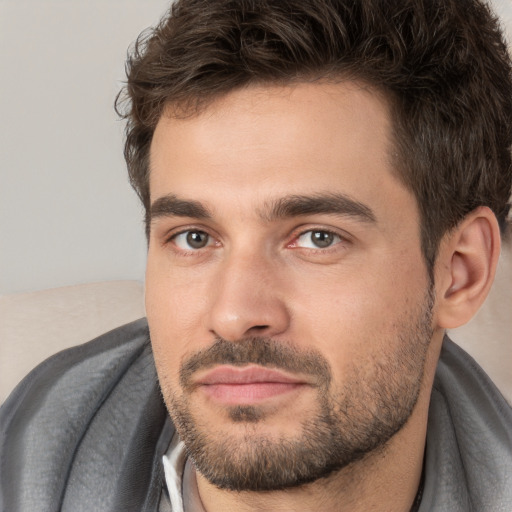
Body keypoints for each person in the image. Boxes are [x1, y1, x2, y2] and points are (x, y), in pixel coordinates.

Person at [1, 0, 512, 510]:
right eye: (194, 238)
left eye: (317, 238)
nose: (234, 315)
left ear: (460, 273)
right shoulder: (22, 460)